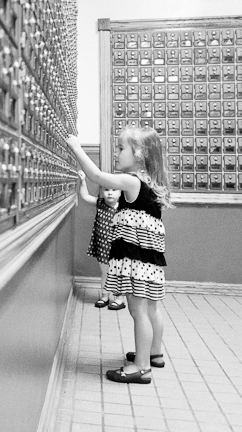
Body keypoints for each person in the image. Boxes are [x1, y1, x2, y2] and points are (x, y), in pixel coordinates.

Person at [67, 127, 173, 384]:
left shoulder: (132, 181)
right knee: (151, 308)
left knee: (138, 311)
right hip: (151, 262)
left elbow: (96, 176)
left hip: (136, 261)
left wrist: (76, 148)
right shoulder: (151, 182)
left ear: (139, 154)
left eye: (120, 148)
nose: (116, 153)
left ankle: (141, 367)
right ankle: (154, 353)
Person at [77, 170, 125, 310]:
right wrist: (83, 181)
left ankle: (119, 298)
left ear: (121, 193)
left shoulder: (124, 208)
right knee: (105, 273)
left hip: (119, 247)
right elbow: (85, 196)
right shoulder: (100, 203)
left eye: (114, 190)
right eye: (106, 190)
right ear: (102, 192)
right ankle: (105, 296)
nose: (110, 193)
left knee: (119, 274)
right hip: (103, 246)